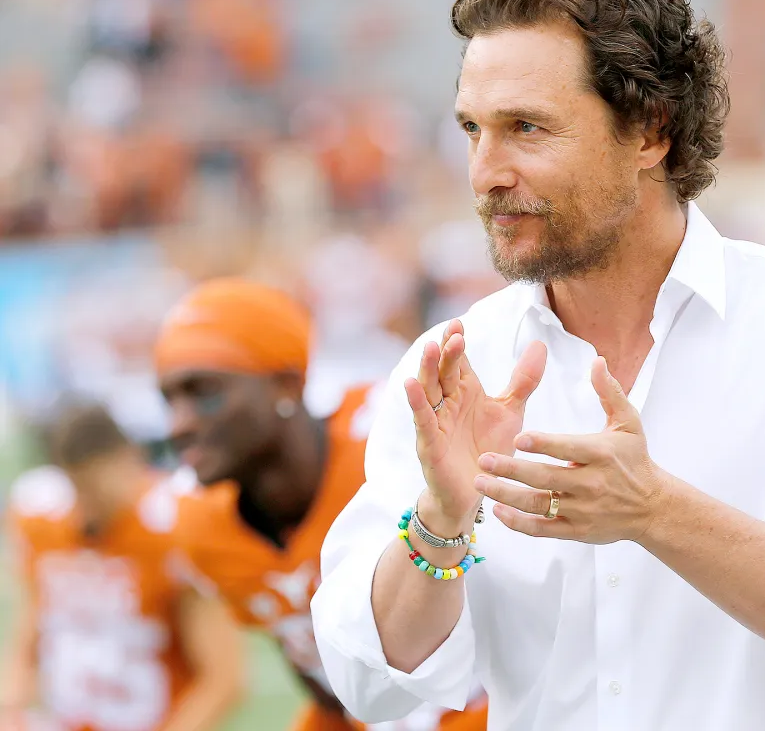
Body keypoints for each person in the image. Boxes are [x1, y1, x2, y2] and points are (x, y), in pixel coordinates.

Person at [312, 0, 765, 731]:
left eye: (526, 128)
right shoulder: (454, 366)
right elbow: (371, 683)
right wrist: (441, 521)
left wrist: (654, 512)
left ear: (651, 130)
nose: (485, 171)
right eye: (473, 129)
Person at [153, 278, 488, 731]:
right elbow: (318, 676)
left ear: (286, 385)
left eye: (204, 392)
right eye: (169, 398)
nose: (179, 424)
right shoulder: (199, 523)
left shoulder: (390, 447)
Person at [1, 402, 243, 731]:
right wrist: (13, 696)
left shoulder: (172, 528)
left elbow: (222, 679)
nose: (87, 506)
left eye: (95, 488)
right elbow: (34, 623)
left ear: (129, 461)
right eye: (78, 489)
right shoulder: (43, 517)